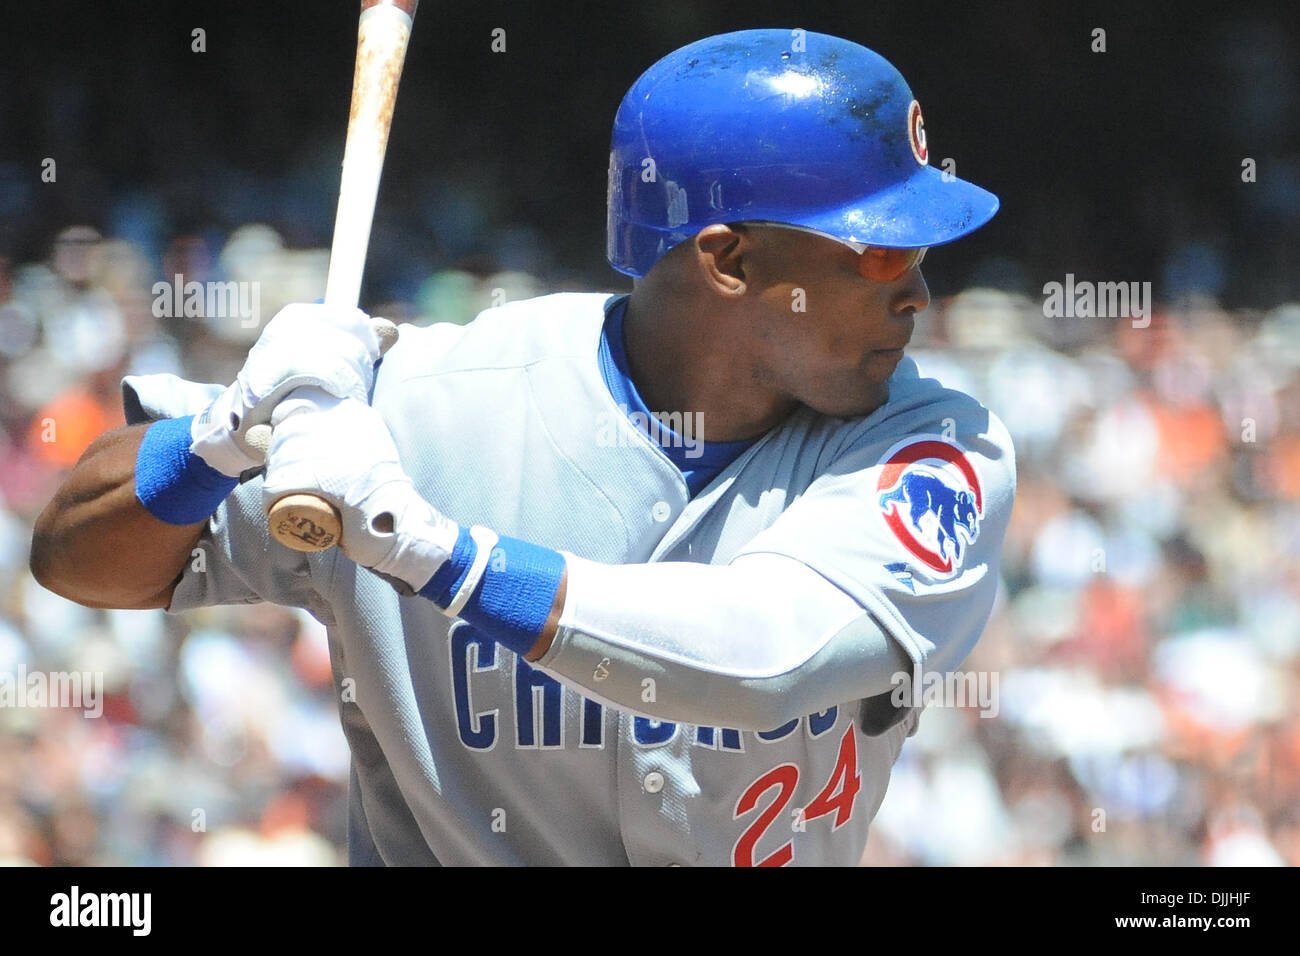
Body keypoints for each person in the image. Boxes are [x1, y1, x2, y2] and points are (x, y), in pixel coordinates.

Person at [31, 28, 1014, 866]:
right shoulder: (424, 404)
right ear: (729, 258)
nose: (917, 291)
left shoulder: (933, 448)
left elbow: (766, 657)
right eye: (880, 251)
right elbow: (76, 556)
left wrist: (428, 550)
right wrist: (220, 438)